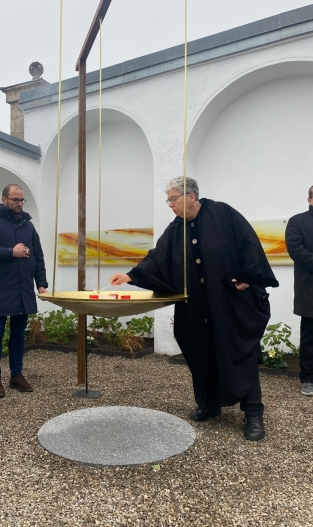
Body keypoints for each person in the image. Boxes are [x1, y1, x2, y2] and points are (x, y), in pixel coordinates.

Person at [110, 176, 279, 441]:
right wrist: (131, 276)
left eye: (173, 199)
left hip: (228, 303)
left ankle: (253, 413)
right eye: (168, 200)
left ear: (191, 196)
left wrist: (249, 276)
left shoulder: (222, 213)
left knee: (239, 354)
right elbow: (158, 258)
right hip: (196, 307)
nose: (170, 204)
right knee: (201, 353)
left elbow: (249, 243)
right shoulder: (176, 229)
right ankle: (209, 404)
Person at [0, 184, 48, 398]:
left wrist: (41, 284)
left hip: (23, 288)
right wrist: (11, 252)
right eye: (15, 199)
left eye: (21, 200)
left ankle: (16, 375)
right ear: (4, 199)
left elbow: (38, 257)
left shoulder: (28, 226)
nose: (19, 203)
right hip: (0, 287)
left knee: (18, 333)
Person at [285, 186, 313, 396]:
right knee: (310, 336)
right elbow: (296, 250)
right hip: (309, 288)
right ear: (310, 200)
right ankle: (308, 378)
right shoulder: (297, 222)